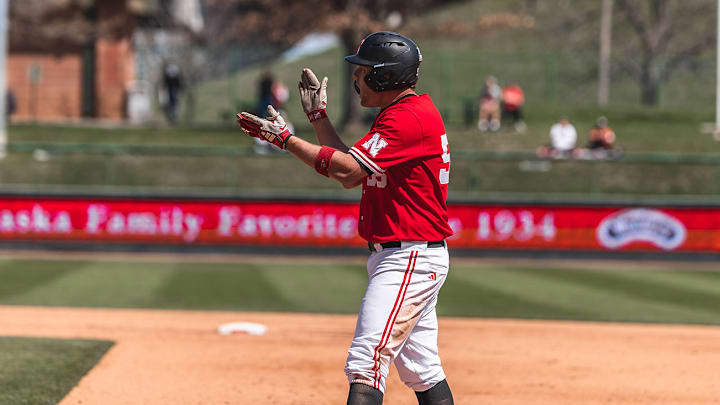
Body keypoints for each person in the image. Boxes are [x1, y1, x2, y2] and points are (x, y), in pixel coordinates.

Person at [237, 31, 455, 405]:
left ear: (384, 77)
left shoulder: (406, 119)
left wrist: (286, 140)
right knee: (422, 370)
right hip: (407, 253)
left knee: (366, 362)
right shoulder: (405, 113)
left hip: (410, 256)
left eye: (363, 71)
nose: (356, 78)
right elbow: (354, 167)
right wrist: (319, 119)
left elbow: (347, 173)